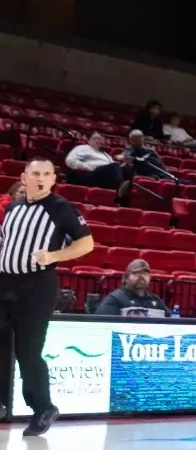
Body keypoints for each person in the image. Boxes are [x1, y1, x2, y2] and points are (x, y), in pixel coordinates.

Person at [0, 159, 96, 435]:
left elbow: (86, 243)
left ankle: (43, 408)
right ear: (24, 177)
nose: (41, 178)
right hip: (4, 282)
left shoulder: (62, 208)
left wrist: (55, 255)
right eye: (35, 173)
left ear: (53, 179)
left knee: (28, 352)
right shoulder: (14, 208)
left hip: (36, 286)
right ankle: (1, 402)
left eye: (46, 174)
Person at [94, 258, 168, 316]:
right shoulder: (115, 299)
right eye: (136, 273)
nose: (141, 276)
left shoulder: (156, 300)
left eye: (145, 273)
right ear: (125, 278)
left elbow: (172, 322)